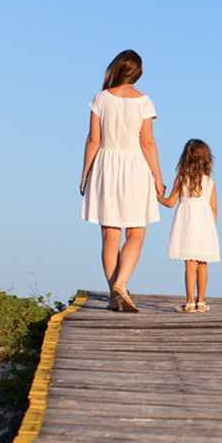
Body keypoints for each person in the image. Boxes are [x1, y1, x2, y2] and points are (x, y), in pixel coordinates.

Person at [80, 50, 165, 312]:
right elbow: (147, 143)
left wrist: (84, 175)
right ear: (138, 73)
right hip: (135, 166)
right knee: (136, 233)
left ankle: (114, 296)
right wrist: (158, 179)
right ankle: (122, 283)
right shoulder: (144, 102)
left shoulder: (100, 98)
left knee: (109, 237)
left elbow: (94, 140)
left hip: (106, 165)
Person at [158, 139, 220, 312]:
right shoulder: (210, 182)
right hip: (205, 226)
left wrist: (157, 196)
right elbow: (214, 209)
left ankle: (190, 302)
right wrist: (209, 226)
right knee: (203, 264)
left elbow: (170, 203)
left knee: (190, 264)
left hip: (187, 225)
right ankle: (201, 302)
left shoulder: (182, 179)